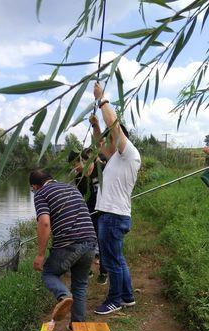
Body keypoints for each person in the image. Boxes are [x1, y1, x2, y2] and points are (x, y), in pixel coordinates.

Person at [89, 82, 141, 315]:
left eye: (113, 138)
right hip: (112, 215)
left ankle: (115, 299)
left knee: (111, 262)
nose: (109, 143)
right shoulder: (116, 158)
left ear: (121, 138)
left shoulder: (128, 152)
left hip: (113, 216)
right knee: (117, 260)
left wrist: (102, 99)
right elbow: (100, 146)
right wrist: (96, 125)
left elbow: (114, 125)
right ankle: (127, 297)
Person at [29, 169, 97, 324]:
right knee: (80, 285)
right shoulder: (72, 188)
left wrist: (40, 255)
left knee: (48, 274)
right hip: (90, 241)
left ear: (35, 186)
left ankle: (63, 296)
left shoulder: (41, 194)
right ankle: (77, 326)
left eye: (32, 189)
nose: (33, 192)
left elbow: (44, 223)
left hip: (68, 244)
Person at [68, 148, 108, 284]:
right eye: (72, 166)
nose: (74, 168)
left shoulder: (102, 168)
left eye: (75, 164)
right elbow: (81, 197)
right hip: (90, 211)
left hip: (104, 210)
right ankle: (87, 269)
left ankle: (104, 271)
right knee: (87, 240)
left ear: (84, 160)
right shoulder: (79, 177)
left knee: (102, 241)